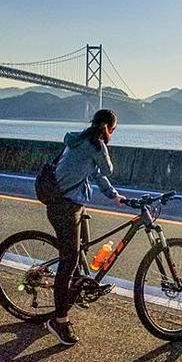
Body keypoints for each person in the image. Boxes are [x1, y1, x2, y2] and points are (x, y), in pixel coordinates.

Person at [45, 109, 125, 346]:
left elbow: (97, 175)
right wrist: (103, 140)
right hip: (63, 205)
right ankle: (59, 321)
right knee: (68, 261)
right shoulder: (94, 144)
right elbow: (108, 168)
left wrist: (114, 196)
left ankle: (76, 290)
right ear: (110, 128)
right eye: (113, 130)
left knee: (82, 249)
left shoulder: (80, 140)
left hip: (72, 203)